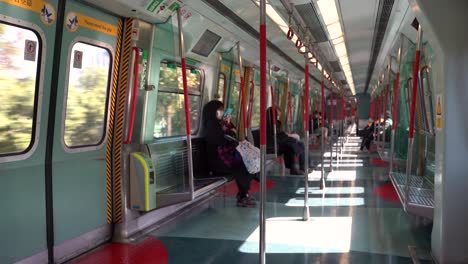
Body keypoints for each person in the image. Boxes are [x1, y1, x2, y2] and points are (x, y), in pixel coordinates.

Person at [202, 100, 255, 207]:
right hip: (217, 160)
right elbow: (220, 140)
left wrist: (228, 125)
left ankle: (243, 194)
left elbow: (235, 134)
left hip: (225, 156)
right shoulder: (211, 124)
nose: (222, 112)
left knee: (247, 165)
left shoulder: (222, 123)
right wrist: (228, 130)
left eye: (223, 110)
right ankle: (243, 196)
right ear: (214, 111)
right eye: (220, 110)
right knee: (242, 167)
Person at [267, 107, 307, 175]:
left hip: (277, 143)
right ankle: (300, 167)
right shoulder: (270, 124)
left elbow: (279, 135)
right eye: (277, 114)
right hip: (272, 147)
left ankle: (295, 168)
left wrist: (287, 135)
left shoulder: (275, 123)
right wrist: (289, 136)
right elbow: (277, 136)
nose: (278, 116)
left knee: (291, 146)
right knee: (296, 144)